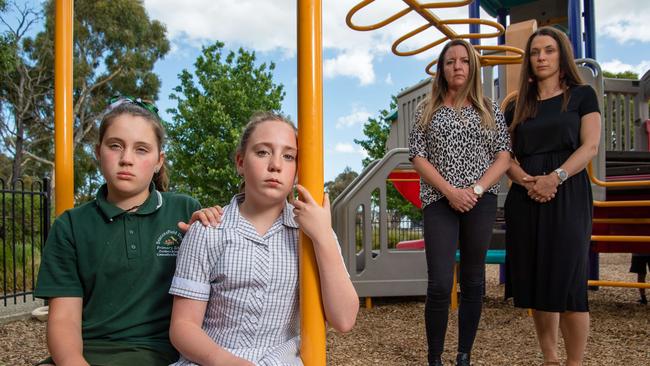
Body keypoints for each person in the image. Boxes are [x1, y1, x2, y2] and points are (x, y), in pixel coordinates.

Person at [34, 96, 221, 366]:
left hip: (164, 356)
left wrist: (208, 231)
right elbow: (64, 320)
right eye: (115, 146)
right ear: (98, 152)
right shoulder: (71, 226)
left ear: (159, 160)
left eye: (141, 149)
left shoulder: (184, 211)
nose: (126, 159)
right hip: (88, 355)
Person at [168, 112, 359, 365]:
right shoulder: (207, 230)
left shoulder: (313, 231)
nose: (276, 165)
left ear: (297, 169)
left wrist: (323, 236)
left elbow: (344, 319)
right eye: (262, 152)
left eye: (288, 156)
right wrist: (226, 361)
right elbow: (183, 326)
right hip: (213, 359)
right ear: (240, 162)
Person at [408, 39, 511, 366]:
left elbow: (503, 157)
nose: (457, 67)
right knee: (439, 282)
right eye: (450, 61)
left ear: (472, 67)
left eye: (463, 61)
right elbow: (418, 157)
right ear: (442, 68)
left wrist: (476, 190)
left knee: (473, 280)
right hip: (439, 200)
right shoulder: (427, 108)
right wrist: (451, 191)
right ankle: (434, 357)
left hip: (479, 202)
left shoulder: (489, 108)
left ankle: (464, 354)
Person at [504, 26, 602, 366]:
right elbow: (505, 156)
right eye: (534, 52)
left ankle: (574, 362)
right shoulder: (516, 104)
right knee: (539, 282)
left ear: (562, 55)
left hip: (568, 192)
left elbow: (590, 145)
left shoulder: (582, 95)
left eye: (548, 50)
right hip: (525, 195)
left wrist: (555, 178)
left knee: (569, 283)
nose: (541, 57)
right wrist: (524, 180)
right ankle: (550, 358)